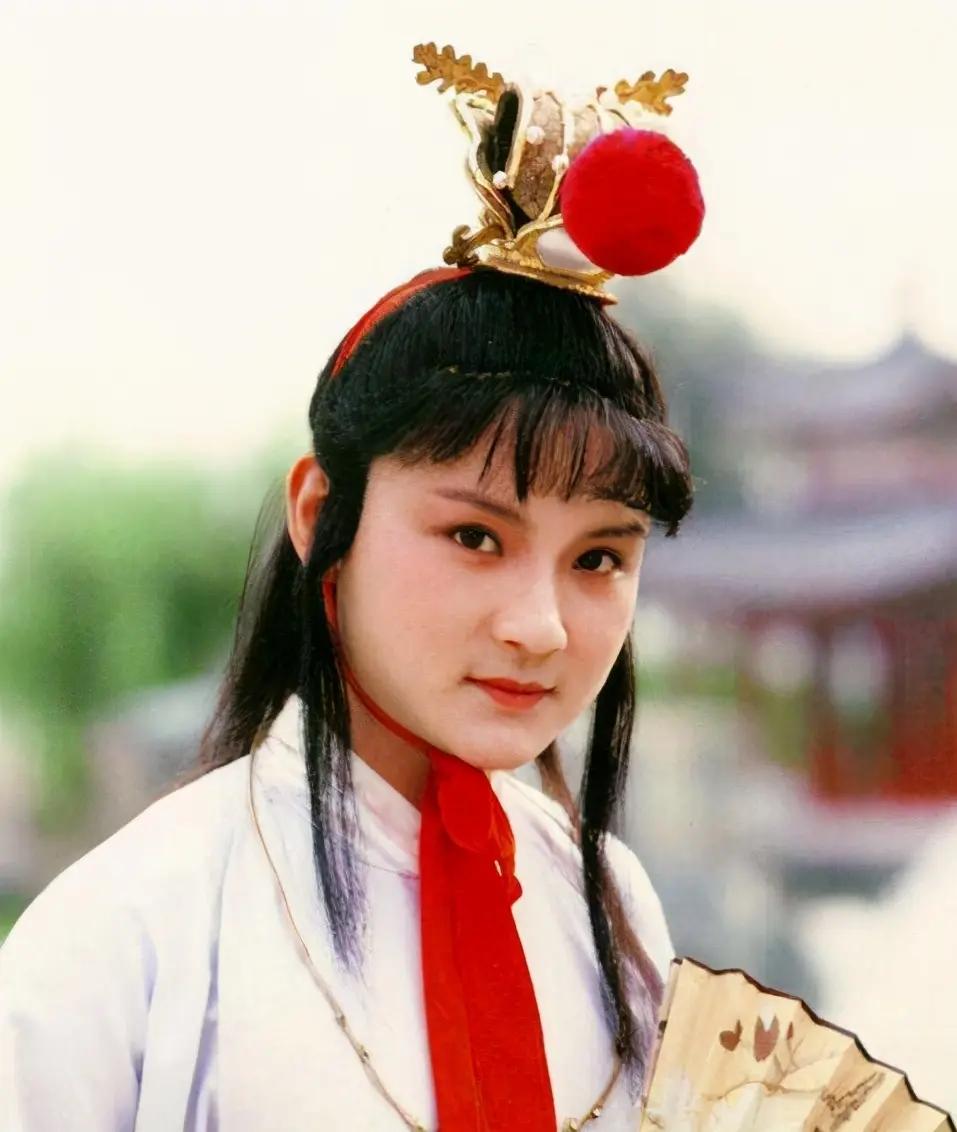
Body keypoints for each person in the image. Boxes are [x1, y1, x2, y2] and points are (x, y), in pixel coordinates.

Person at [0, 42, 705, 1131]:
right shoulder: (126, 935)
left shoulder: (614, 910)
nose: (540, 626)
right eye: (474, 535)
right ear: (320, 513)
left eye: (599, 558)